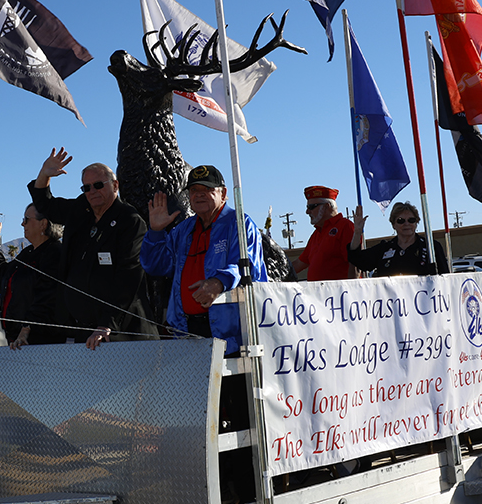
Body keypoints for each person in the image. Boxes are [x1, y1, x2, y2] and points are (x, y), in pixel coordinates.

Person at [29, 150, 154, 345]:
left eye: (98, 185)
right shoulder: (81, 210)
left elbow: (128, 278)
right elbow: (46, 206)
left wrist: (107, 324)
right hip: (83, 331)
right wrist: (44, 175)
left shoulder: (130, 222)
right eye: (86, 188)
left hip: (120, 334)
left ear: (115, 186)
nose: (92, 191)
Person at [140, 164, 267, 355]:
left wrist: (218, 283)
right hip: (187, 334)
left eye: (207, 189)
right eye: (194, 190)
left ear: (223, 193)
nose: (199, 195)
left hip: (232, 337)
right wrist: (156, 232)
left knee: (232, 386)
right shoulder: (182, 230)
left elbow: (246, 266)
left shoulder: (240, 223)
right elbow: (156, 267)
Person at [0, 205, 64, 349]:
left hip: (43, 340)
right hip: (17, 339)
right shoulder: (27, 252)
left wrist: (27, 327)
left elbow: (47, 296)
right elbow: (2, 278)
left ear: (44, 224)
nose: (22, 224)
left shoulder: (55, 253)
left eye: (26, 219)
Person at [347, 201, 448, 277]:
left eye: (411, 220)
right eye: (401, 221)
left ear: (416, 223)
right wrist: (357, 232)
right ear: (393, 224)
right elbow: (357, 259)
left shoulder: (431, 247)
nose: (406, 224)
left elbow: (445, 278)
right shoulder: (384, 249)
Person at [292, 186, 354, 281]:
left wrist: (351, 290)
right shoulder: (316, 233)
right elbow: (299, 264)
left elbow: (354, 264)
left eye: (311, 207)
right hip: (319, 294)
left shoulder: (345, 227)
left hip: (338, 293)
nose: (307, 212)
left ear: (327, 206)